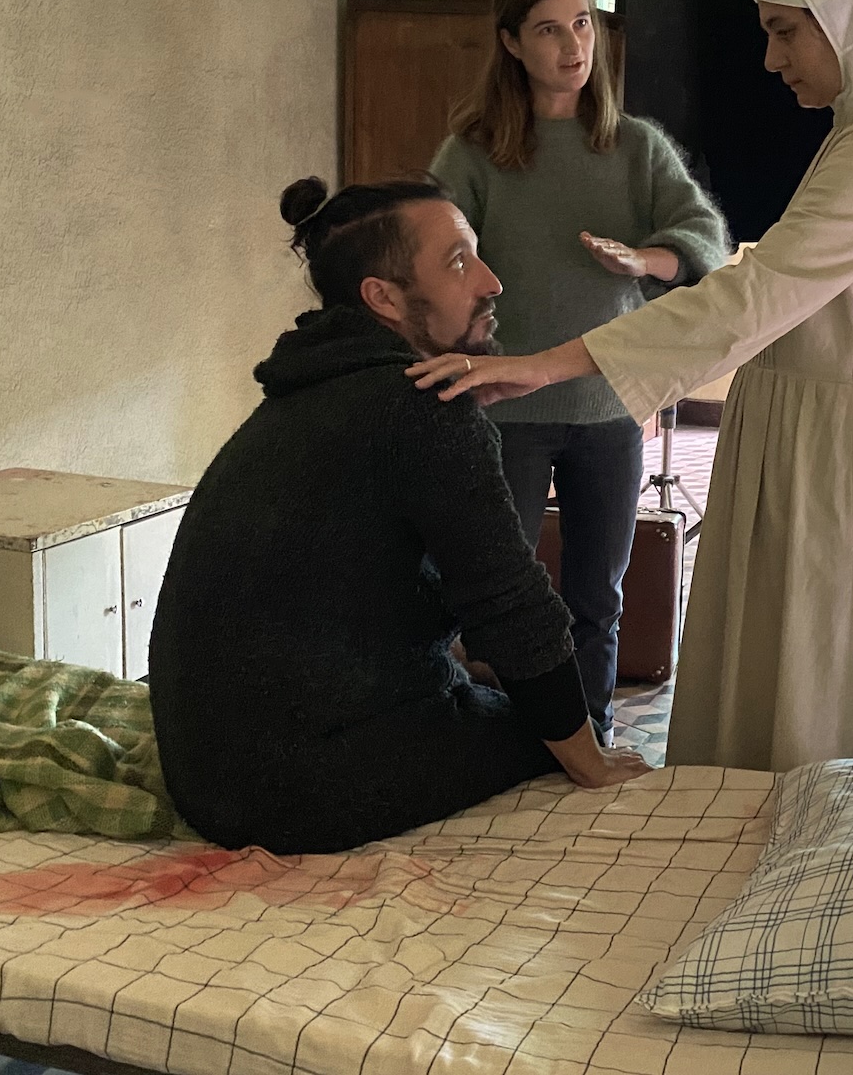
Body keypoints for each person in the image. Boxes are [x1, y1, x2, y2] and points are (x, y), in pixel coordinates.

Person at [411, 0, 853, 772]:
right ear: (510, 43)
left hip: (839, 449)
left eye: (785, 31)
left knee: (822, 680)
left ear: (845, 13)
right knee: (778, 669)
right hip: (802, 429)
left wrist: (553, 356)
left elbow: (750, 292)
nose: (772, 59)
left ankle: (800, 838)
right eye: (548, 29)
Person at [147, 175, 650, 855]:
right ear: (382, 297)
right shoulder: (418, 409)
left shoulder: (313, 395)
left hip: (209, 774)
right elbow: (512, 606)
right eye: (459, 262)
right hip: (291, 786)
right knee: (552, 738)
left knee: (510, 701)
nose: (492, 281)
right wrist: (590, 763)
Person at [430, 0, 728, 743]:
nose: (573, 46)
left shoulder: (635, 147)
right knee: (499, 595)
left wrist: (644, 261)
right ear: (510, 43)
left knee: (599, 596)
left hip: (609, 409)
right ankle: (504, 734)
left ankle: (590, 736)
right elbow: (431, 254)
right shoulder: (472, 154)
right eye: (548, 30)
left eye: (583, 23)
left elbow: (704, 238)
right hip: (508, 411)